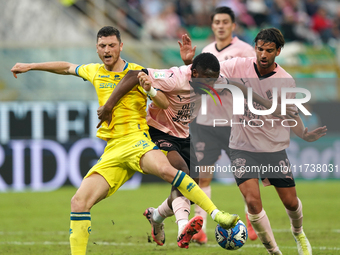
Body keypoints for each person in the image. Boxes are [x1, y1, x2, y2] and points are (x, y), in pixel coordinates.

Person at [11, 26, 240, 255]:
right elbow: (67, 67)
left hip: (138, 141)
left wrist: (144, 92)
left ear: (121, 47)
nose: (107, 50)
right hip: (112, 150)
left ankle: (215, 214)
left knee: (173, 172)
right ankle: (161, 217)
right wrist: (31, 66)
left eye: (112, 45)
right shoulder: (94, 71)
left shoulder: (137, 71)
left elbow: (162, 101)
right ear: (97, 49)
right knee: (78, 202)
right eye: (102, 46)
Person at [96, 51, 298, 249]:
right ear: (194, 74)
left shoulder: (212, 79)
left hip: (184, 135)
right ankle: (183, 227)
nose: (210, 86)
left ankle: (156, 215)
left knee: (190, 187)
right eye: (205, 81)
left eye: (212, 81)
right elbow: (133, 74)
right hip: (158, 131)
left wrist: (271, 106)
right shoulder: (173, 78)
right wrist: (108, 105)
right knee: (182, 173)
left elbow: (240, 89)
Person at [183, 28, 327, 254]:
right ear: (255, 48)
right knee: (252, 202)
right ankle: (274, 252)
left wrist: (304, 134)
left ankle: (298, 232)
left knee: (290, 202)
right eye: (260, 49)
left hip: (273, 148)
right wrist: (192, 65)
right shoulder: (237, 66)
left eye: (269, 50)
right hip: (242, 147)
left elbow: (291, 115)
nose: (263, 54)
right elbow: (211, 73)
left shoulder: (285, 81)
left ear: (278, 51)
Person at [179, 6, 258, 243]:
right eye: (217, 22)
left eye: (225, 22)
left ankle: (251, 220)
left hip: (235, 123)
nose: (221, 26)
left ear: (233, 25)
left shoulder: (245, 51)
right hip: (205, 123)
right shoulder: (205, 51)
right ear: (212, 26)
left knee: (244, 175)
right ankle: (199, 226)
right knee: (203, 177)